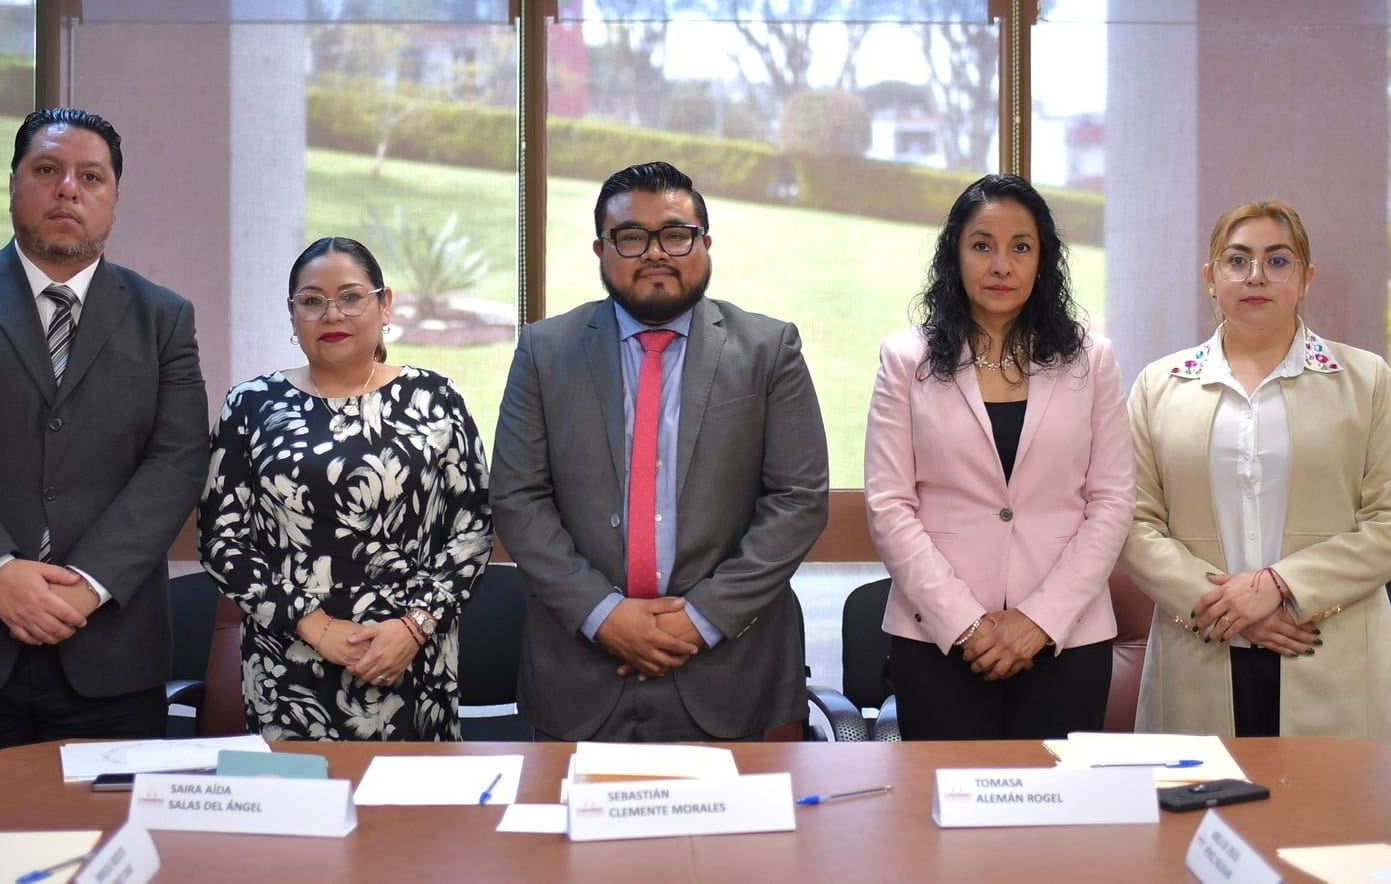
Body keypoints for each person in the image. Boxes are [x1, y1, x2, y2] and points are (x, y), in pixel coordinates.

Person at [0, 107, 209, 800]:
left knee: (104, 848)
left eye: (91, 177)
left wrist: (89, 582)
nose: (67, 189)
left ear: (114, 197)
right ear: (13, 183)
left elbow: (177, 459)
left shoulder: (163, 316)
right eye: (47, 170)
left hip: (108, 653)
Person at [490, 161, 829, 742]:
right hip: (581, 671)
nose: (655, 253)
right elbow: (518, 498)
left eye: (675, 235)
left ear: (705, 244)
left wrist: (701, 619)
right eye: (630, 237)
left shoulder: (769, 349)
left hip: (732, 669)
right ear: (601, 250)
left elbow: (798, 500)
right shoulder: (545, 352)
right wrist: (603, 615)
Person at [1120, 200, 1391, 756]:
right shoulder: (1158, 386)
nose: (1256, 275)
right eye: (1237, 260)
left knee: (1332, 808)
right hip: (1200, 648)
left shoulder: (1365, 380)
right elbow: (1132, 522)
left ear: (1306, 279)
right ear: (1211, 278)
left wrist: (1278, 588)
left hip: (1330, 649)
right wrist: (1226, 609)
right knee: (1201, 803)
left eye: (1278, 260)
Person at [863, 173, 1134, 740]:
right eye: (982, 245)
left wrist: (1039, 619)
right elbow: (889, 505)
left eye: (1021, 247)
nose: (1001, 265)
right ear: (954, 255)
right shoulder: (906, 359)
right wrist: (964, 624)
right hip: (937, 640)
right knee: (945, 796)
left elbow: (1112, 501)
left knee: (1058, 797)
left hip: (1066, 638)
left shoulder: (1092, 360)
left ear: (1044, 260)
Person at [198, 236, 492, 740]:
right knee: (293, 793)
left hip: (411, 659)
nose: (332, 314)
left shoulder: (435, 398)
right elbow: (222, 540)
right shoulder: (251, 405)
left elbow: (473, 530)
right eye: (312, 301)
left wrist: (415, 626)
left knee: (413, 792)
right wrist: (314, 626)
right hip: (287, 664)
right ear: (292, 315)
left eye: (351, 297)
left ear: (385, 304)